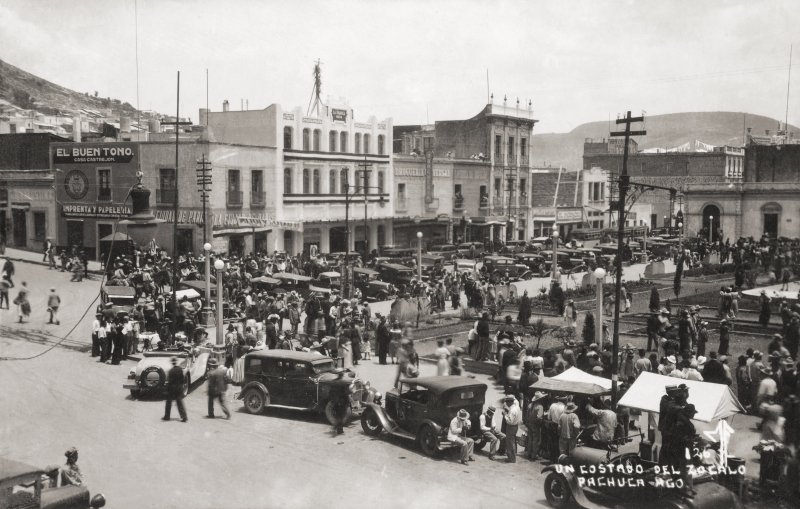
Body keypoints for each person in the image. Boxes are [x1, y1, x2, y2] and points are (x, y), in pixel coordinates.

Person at [162, 357, 188, 422]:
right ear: (176, 362)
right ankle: (184, 416)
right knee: (179, 402)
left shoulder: (171, 371)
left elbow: (170, 381)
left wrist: (167, 389)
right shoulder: (180, 369)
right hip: (179, 388)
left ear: (172, 363)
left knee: (168, 402)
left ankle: (167, 416)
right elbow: (183, 379)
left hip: (172, 388)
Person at [503, 394, 522, 463]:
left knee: (510, 443)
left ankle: (511, 458)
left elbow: (509, 421)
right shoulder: (517, 407)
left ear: (509, 402)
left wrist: (505, 415)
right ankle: (512, 457)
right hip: (515, 426)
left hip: (511, 427)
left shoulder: (512, 410)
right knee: (512, 442)